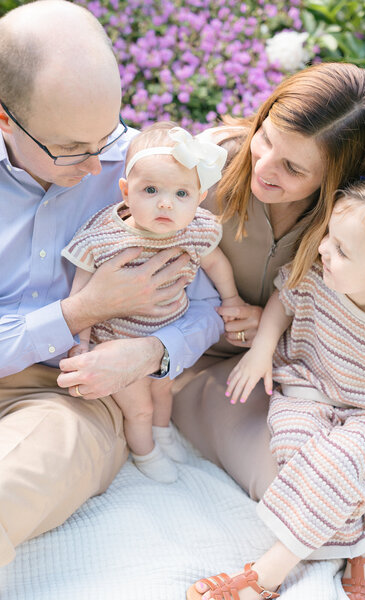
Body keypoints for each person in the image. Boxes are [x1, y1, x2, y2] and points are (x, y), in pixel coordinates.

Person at [0, 0, 223, 566]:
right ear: (5, 119)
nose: (100, 166)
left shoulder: (147, 173)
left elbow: (206, 304)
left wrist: (150, 351)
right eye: (72, 149)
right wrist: (81, 310)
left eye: (108, 135)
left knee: (20, 479)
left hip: (68, 394)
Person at [170, 63, 365, 596]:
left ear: (338, 179)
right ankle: (355, 536)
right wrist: (223, 319)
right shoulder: (205, 165)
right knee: (286, 483)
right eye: (266, 139)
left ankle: (336, 496)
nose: (265, 168)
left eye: (294, 168)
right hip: (232, 373)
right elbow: (137, 254)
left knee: (333, 466)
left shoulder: (358, 221)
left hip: (336, 384)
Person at [194, 175, 365, 600]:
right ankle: (362, 547)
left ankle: (265, 576)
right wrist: (261, 351)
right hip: (306, 388)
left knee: (338, 458)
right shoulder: (316, 277)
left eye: (342, 250)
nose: (324, 248)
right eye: (330, 237)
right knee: (293, 451)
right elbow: (283, 302)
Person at [62, 123, 243, 483]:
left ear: (198, 197)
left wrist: (232, 297)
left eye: (181, 193)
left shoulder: (193, 229)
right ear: (126, 193)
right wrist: (79, 340)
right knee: (140, 407)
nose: (166, 203)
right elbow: (82, 291)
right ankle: (145, 453)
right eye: (151, 190)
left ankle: (162, 433)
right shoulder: (105, 236)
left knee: (163, 391)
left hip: (165, 334)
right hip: (115, 340)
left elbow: (215, 262)